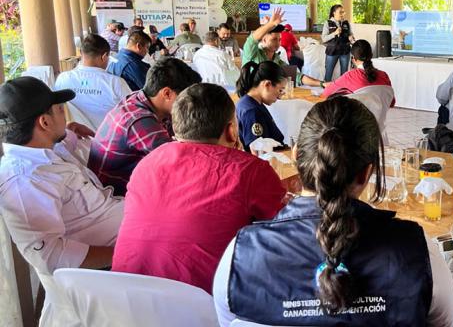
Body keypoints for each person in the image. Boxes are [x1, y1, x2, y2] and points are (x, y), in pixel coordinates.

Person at [213, 96, 453, 326]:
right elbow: (448, 322)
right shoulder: (417, 250)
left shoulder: (240, 255)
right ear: (367, 172)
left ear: (297, 155)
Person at [112, 83, 287, 293]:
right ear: (231, 131)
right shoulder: (249, 170)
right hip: (202, 303)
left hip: (123, 297)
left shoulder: (148, 163)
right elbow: (287, 230)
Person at [0, 77, 124, 278]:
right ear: (45, 122)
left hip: (129, 227)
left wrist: (70, 130)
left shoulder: (45, 149)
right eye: (60, 110)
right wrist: (125, 254)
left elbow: (65, 142)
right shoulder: (26, 181)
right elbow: (50, 257)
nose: (64, 115)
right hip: (113, 268)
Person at [89, 58, 202, 195]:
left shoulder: (139, 99)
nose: (188, 106)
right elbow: (179, 163)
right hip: (114, 194)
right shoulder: (139, 120)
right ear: (167, 93)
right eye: (185, 100)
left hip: (123, 182)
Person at [54, 34, 132, 130]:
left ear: (81, 52)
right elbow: (133, 110)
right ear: (104, 56)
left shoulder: (62, 78)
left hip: (74, 136)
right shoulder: (115, 82)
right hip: (108, 137)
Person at [242, 7, 324, 88]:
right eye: (274, 39)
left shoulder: (277, 61)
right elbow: (252, 40)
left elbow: (298, 77)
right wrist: (270, 24)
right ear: (264, 40)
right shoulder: (252, 54)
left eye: (279, 39)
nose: (278, 43)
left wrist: (322, 84)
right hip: (249, 94)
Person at [322, 39, 394, 105]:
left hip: (357, 114)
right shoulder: (384, 75)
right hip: (379, 115)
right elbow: (391, 102)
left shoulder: (350, 76)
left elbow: (326, 93)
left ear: (353, 59)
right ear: (371, 55)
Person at [236, 61, 288, 152]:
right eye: (280, 90)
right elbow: (258, 152)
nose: (280, 96)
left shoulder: (249, 102)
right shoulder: (252, 111)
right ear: (267, 84)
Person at [322, 4, 356, 81]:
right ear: (334, 13)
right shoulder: (328, 23)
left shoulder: (346, 23)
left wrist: (351, 38)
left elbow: (351, 35)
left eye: (343, 12)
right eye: (340, 12)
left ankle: (342, 87)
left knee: (344, 75)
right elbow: (324, 39)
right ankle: (327, 87)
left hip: (345, 51)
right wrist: (334, 33)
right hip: (332, 51)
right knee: (328, 74)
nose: (342, 14)